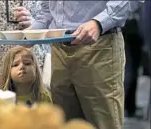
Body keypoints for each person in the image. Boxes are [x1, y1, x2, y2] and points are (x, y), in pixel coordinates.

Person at [23, 1, 131, 129]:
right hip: (59, 46)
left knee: (103, 122)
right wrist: (35, 30)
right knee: (64, 122)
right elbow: (49, 9)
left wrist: (99, 22)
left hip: (98, 43)